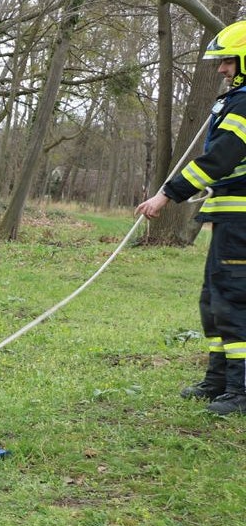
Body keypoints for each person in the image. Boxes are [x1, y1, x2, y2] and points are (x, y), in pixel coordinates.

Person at [137, 21, 246, 415]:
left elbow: (219, 160)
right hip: (230, 220)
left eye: (228, 62)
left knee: (234, 300)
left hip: (243, 223)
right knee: (213, 300)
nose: (221, 70)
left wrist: (167, 194)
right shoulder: (236, 99)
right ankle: (219, 381)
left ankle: (241, 390)